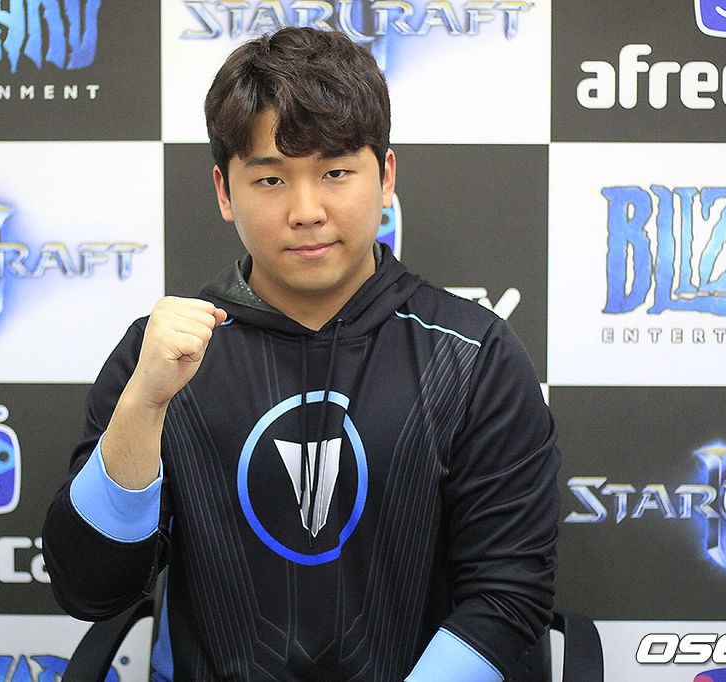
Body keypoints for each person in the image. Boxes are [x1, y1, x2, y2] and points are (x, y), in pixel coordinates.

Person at [43, 26, 560, 681]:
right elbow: (90, 590)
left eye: (335, 172)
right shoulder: (164, 360)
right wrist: (143, 406)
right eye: (270, 179)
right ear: (225, 192)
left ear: (386, 176)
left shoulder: (474, 357)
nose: (306, 210)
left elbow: (507, 597)